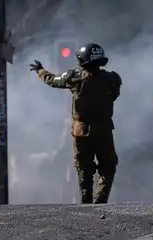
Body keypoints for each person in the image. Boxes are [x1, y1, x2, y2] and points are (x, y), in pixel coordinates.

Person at [30, 43, 122, 204]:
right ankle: (101, 197)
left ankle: (86, 199)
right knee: (107, 164)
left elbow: (53, 80)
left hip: (81, 129)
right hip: (104, 128)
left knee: (83, 165)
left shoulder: (74, 77)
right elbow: (114, 95)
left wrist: (40, 70)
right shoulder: (112, 79)